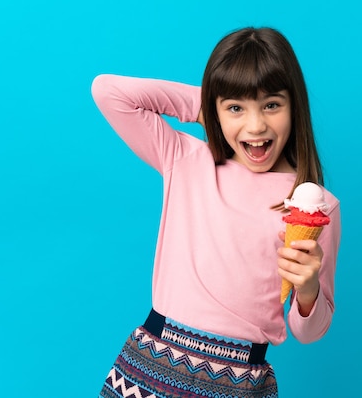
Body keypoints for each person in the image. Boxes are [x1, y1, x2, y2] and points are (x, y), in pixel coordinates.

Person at [91, 26, 341, 398]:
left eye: (272, 104)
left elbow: (310, 331)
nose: (255, 126)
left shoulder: (317, 206)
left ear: (295, 106)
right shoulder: (186, 159)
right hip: (151, 364)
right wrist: (206, 105)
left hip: (238, 382)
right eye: (236, 107)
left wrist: (307, 291)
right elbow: (108, 91)